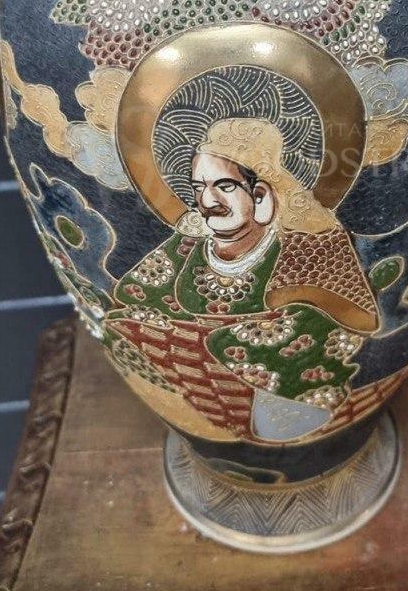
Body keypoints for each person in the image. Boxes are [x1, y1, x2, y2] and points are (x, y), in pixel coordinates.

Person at [104, 118, 379, 441]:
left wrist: (207, 339)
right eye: (198, 188)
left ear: (260, 196)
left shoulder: (307, 248)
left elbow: (329, 326)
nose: (207, 202)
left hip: (278, 398)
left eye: (224, 186)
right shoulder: (190, 244)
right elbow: (132, 296)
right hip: (191, 386)